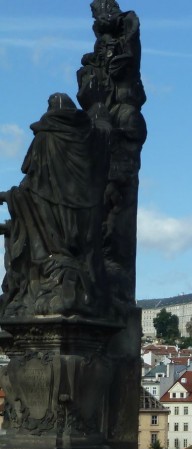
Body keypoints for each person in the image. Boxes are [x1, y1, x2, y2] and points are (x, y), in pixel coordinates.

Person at [0, 93, 105, 317]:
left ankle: (53, 280)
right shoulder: (88, 137)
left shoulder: (44, 137)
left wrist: (10, 196)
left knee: (47, 242)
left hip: (47, 205)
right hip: (83, 210)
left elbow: (31, 174)